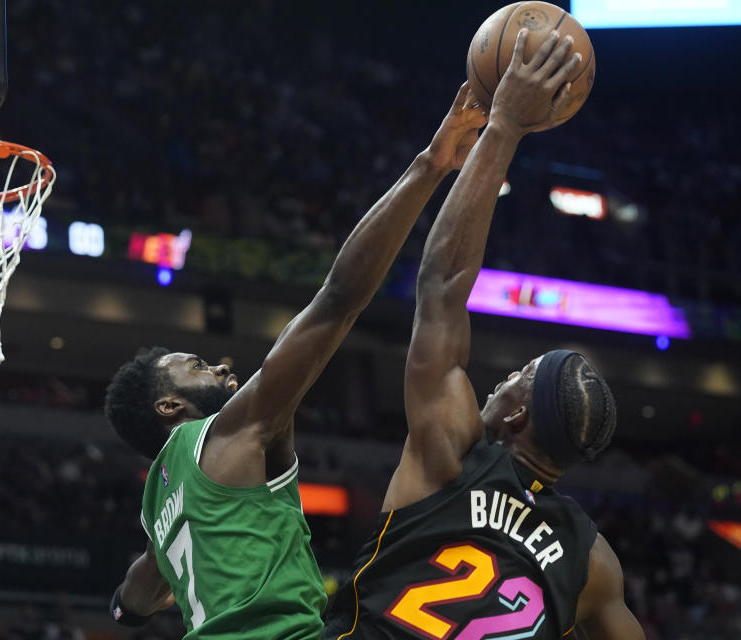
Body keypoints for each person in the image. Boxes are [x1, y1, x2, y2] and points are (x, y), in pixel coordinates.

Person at [102, 81, 488, 638]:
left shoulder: (157, 507)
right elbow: (338, 299)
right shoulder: (230, 431)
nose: (223, 368)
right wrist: (430, 165)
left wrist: (122, 608)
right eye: (198, 367)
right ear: (170, 405)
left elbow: (138, 593)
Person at [323, 30, 645, 640]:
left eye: (517, 376)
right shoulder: (595, 566)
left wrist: (504, 128)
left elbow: (441, 286)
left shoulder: (451, 457)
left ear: (519, 412)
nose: (502, 379)